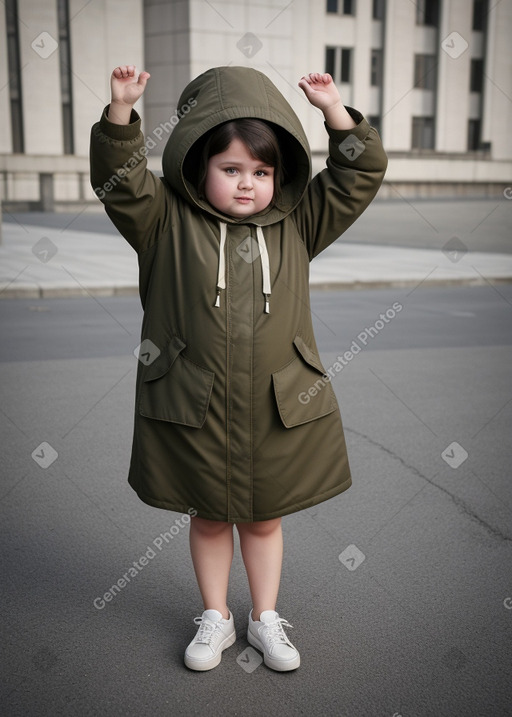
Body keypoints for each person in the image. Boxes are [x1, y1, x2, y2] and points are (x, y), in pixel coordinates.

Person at [90, 64, 387, 672]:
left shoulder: (300, 222)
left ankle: (265, 618)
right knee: (208, 516)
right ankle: (217, 618)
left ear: (278, 176)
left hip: (275, 403)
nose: (247, 185)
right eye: (231, 170)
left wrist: (334, 111)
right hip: (194, 400)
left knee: (263, 518)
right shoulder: (164, 222)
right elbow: (119, 181)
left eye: (261, 172)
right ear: (201, 166)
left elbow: (358, 173)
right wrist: (120, 112)